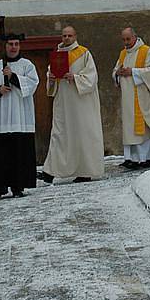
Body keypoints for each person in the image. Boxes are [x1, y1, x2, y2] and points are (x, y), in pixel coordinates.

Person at [38, 26, 105, 185]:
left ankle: (85, 171)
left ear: (75, 36)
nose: (66, 38)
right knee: (59, 134)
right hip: (63, 102)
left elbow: (91, 77)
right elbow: (50, 77)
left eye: (69, 35)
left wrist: (74, 77)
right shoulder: (57, 54)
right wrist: (52, 79)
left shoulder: (83, 53)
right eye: (64, 35)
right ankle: (50, 172)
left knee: (82, 135)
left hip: (81, 103)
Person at [0, 36, 40, 199]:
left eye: (16, 44)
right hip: (0, 118)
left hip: (20, 118)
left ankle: (17, 186)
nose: (14, 47)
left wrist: (12, 76)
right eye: (10, 44)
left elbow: (33, 83)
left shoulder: (27, 66)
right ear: (4, 46)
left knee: (19, 154)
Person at [112, 26, 150, 168]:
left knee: (144, 127)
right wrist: (118, 73)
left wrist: (133, 72)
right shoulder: (123, 53)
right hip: (127, 99)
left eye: (128, 39)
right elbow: (115, 69)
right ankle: (131, 158)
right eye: (123, 39)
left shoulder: (146, 51)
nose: (126, 42)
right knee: (129, 128)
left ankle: (147, 158)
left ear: (135, 37)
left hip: (142, 97)